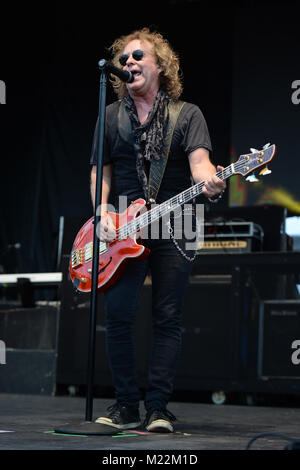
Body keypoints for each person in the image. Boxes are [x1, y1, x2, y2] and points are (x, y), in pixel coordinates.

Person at [90, 27, 226, 433]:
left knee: (167, 316)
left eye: (137, 56)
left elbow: (201, 166)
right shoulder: (111, 116)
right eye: (123, 60)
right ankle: (126, 405)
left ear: (161, 65)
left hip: (177, 219)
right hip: (121, 222)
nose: (129, 63)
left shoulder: (187, 114)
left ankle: (158, 408)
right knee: (117, 315)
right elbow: (101, 169)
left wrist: (212, 182)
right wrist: (101, 211)